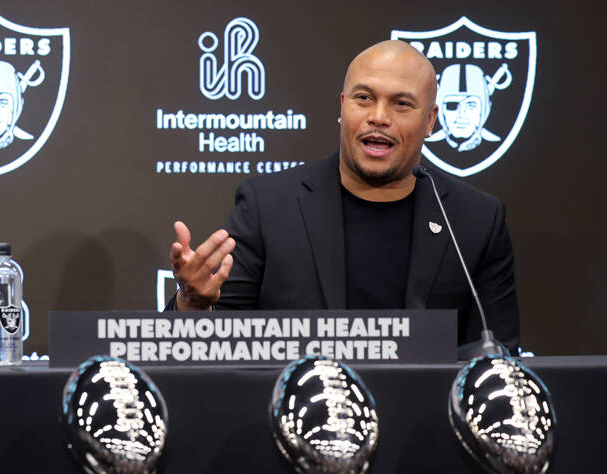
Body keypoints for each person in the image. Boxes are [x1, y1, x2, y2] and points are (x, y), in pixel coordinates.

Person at [169, 40, 520, 352]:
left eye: (401, 103)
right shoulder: (268, 206)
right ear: (342, 106)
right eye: (364, 98)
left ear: (430, 121)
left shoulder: (475, 220)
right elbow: (213, 351)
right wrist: (192, 304)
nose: (378, 117)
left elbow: (497, 360)